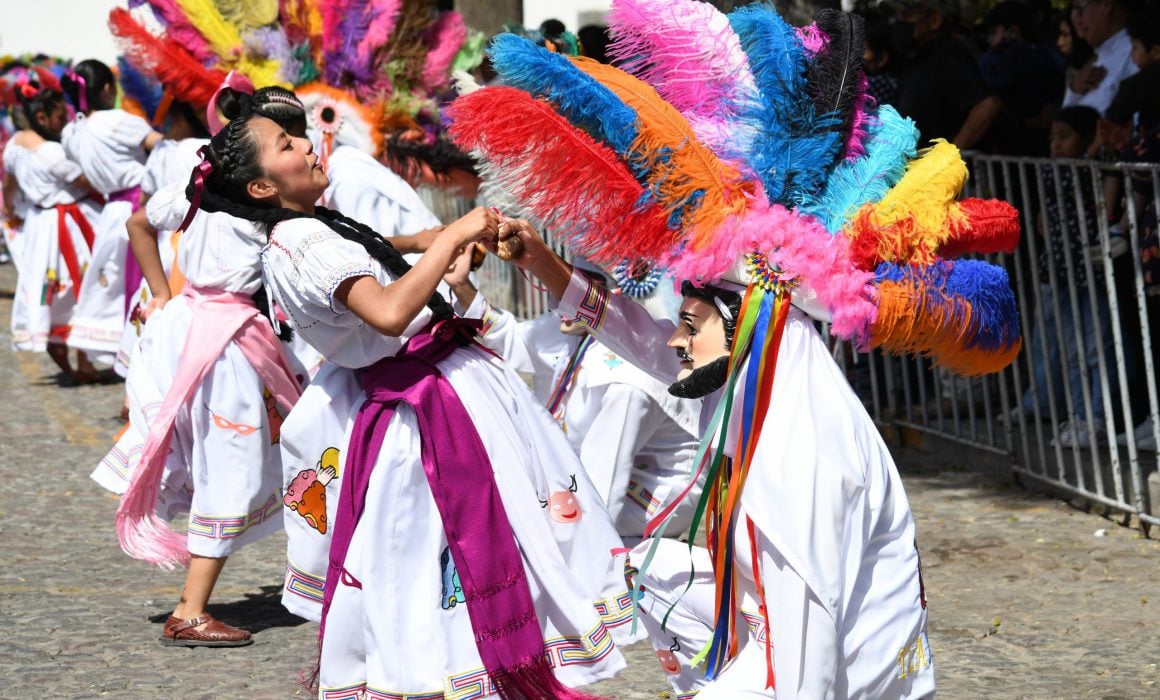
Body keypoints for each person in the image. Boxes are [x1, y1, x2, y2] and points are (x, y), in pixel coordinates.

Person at [192, 102, 631, 697]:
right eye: (286, 145)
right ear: (262, 186)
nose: (306, 145)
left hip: (436, 391)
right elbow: (390, 312)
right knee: (454, 550)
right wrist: (452, 234)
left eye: (299, 136)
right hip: (428, 409)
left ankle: (478, 669)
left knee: (459, 549)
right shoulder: (302, 240)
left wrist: (443, 259)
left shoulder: (309, 229)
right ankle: (473, 670)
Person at [91, 88, 308, 648]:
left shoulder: (198, 188)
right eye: (288, 141)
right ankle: (190, 610)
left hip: (186, 330)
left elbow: (139, 224)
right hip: (225, 347)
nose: (305, 147)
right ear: (258, 175)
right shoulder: (272, 217)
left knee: (241, 454)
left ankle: (327, 569)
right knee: (233, 463)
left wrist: (163, 295)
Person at [444, 254, 702, 541]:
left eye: (575, 286)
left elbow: (604, 482)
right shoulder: (576, 328)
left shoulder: (626, 383)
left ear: (614, 297)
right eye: (561, 283)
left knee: (528, 515)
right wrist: (461, 285)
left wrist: (580, 554)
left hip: (654, 498)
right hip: (595, 475)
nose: (559, 297)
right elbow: (514, 338)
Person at [60, 59, 164, 364]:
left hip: (111, 211)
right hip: (141, 206)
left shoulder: (71, 132)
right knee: (147, 279)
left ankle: (123, 351)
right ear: (107, 89)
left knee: (114, 281)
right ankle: (143, 350)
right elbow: (160, 146)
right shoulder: (119, 121)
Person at [1, 81, 101, 381]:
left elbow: (9, 186)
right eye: (60, 117)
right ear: (42, 118)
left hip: (39, 225)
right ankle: (83, 359)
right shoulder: (54, 153)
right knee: (84, 282)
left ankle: (55, 337)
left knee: (46, 282)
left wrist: (11, 211)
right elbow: (88, 182)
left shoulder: (15, 145)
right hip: (69, 225)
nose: (65, 121)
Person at [889, 0, 1000, 149]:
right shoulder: (917, 58)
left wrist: (950, 155)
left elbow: (988, 106)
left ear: (934, 20)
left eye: (907, 15)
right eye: (898, 15)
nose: (899, 22)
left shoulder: (946, 56)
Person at [979, 1, 1065, 155]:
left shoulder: (1002, 58)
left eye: (993, 32)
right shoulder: (1051, 58)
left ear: (1012, 31)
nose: (989, 39)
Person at [1063, 0, 1138, 115]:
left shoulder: (1135, 56)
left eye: (1080, 8)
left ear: (1106, 4)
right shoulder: (1096, 59)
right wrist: (1075, 91)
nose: (1077, 19)